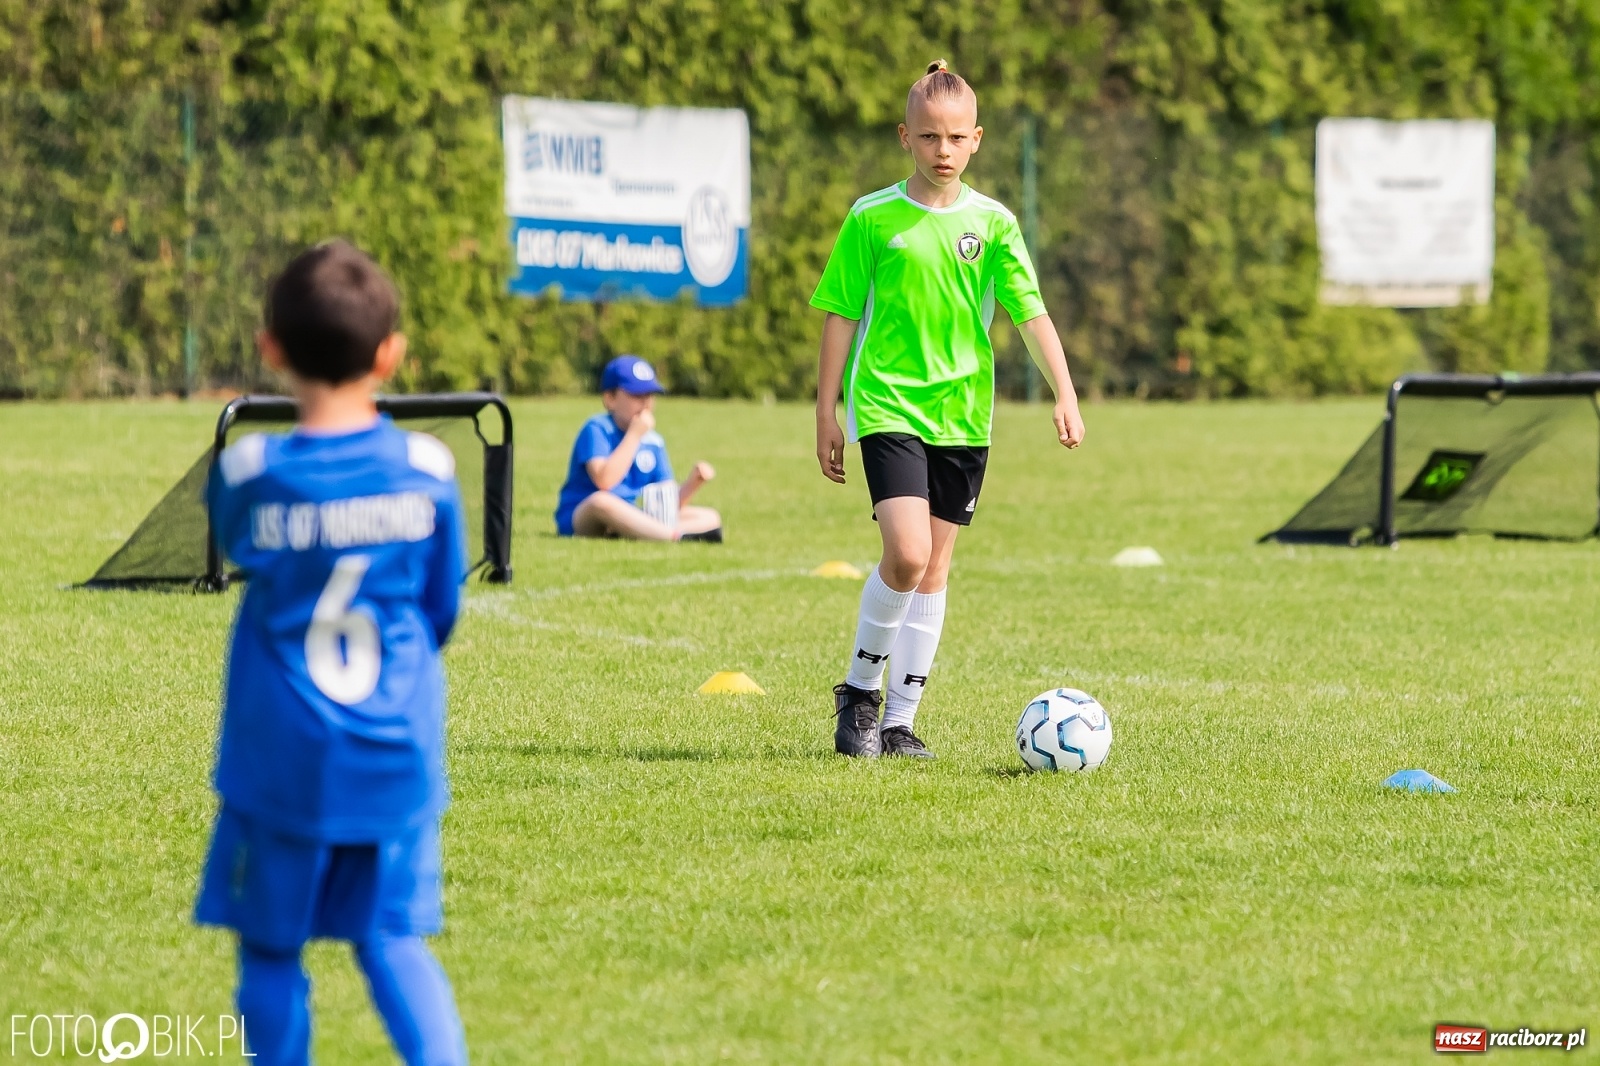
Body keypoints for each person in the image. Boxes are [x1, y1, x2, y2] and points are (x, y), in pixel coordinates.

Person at [195, 240, 470, 1065]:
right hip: (392, 749)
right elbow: (440, 609)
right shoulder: (427, 468)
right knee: (390, 939)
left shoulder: (248, 468)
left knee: (271, 950)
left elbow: (237, 539)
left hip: (282, 758)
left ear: (270, 347)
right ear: (391, 354)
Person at [810, 60, 1086, 759]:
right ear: (906, 136)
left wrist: (1064, 390)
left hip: (963, 414)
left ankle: (899, 724)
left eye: (956, 137)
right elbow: (840, 313)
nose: (943, 150)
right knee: (906, 555)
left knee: (934, 570)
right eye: (929, 136)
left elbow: (1029, 312)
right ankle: (859, 696)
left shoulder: (993, 223)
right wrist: (826, 409)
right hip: (888, 404)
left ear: (976, 140)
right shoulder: (872, 217)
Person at [554, 354, 723, 541]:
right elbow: (604, 481)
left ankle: (647, 532)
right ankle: (673, 537)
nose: (646, 403)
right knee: (601, 502)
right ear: (610, 399)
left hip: (631, 512)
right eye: (636, 396)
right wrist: (634, 435)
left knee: (710, 516)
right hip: (585, 514)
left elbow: (666, 503)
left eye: (649, 395)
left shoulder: (653, 441)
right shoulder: (597, 428)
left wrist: (693, 483)